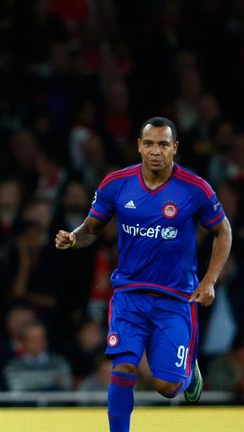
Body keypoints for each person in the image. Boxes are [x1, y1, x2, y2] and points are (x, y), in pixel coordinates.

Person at [54, 117, 232, 432]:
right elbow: (91, 230)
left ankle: (188, 372)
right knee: (122, 366)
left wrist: (209, 280)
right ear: (138, 145)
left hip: (176, 299)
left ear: (174, 148)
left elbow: (223, 231)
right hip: (129, 296)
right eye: (149, 143)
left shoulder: (195, 189)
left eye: (163, 144)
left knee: (167, 386)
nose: (155, 151)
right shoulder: (116, 184)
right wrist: (73, 238)